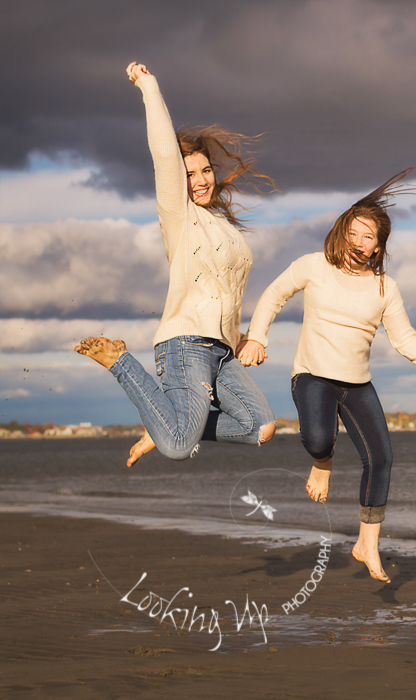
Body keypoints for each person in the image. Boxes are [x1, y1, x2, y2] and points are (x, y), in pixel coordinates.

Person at [238, 170, 416, 582]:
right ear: (342, 233)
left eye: (369, 238)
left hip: (357, 384)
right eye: (354, 234)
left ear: (379, 247)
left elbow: (406, 341)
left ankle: (366, 544)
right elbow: (273, 295)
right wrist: (256, 337)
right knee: (318, 439)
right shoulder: (314, 266)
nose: (360, 243)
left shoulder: (384, 288)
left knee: (381, 459)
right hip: (313, 377)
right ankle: (323, 462)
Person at [76, 62, 277, 465]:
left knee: (260, 427)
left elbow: (227, 292)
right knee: (178, 447)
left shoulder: (224, 226)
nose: (200, 180)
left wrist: (242, 336)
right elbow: (165, 154)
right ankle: (120, 362)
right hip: (184, 344)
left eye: (205, 171)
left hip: (222, 352)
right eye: (190, 175)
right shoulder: (179, 215)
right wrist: (149, 87)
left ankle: (163, 422)